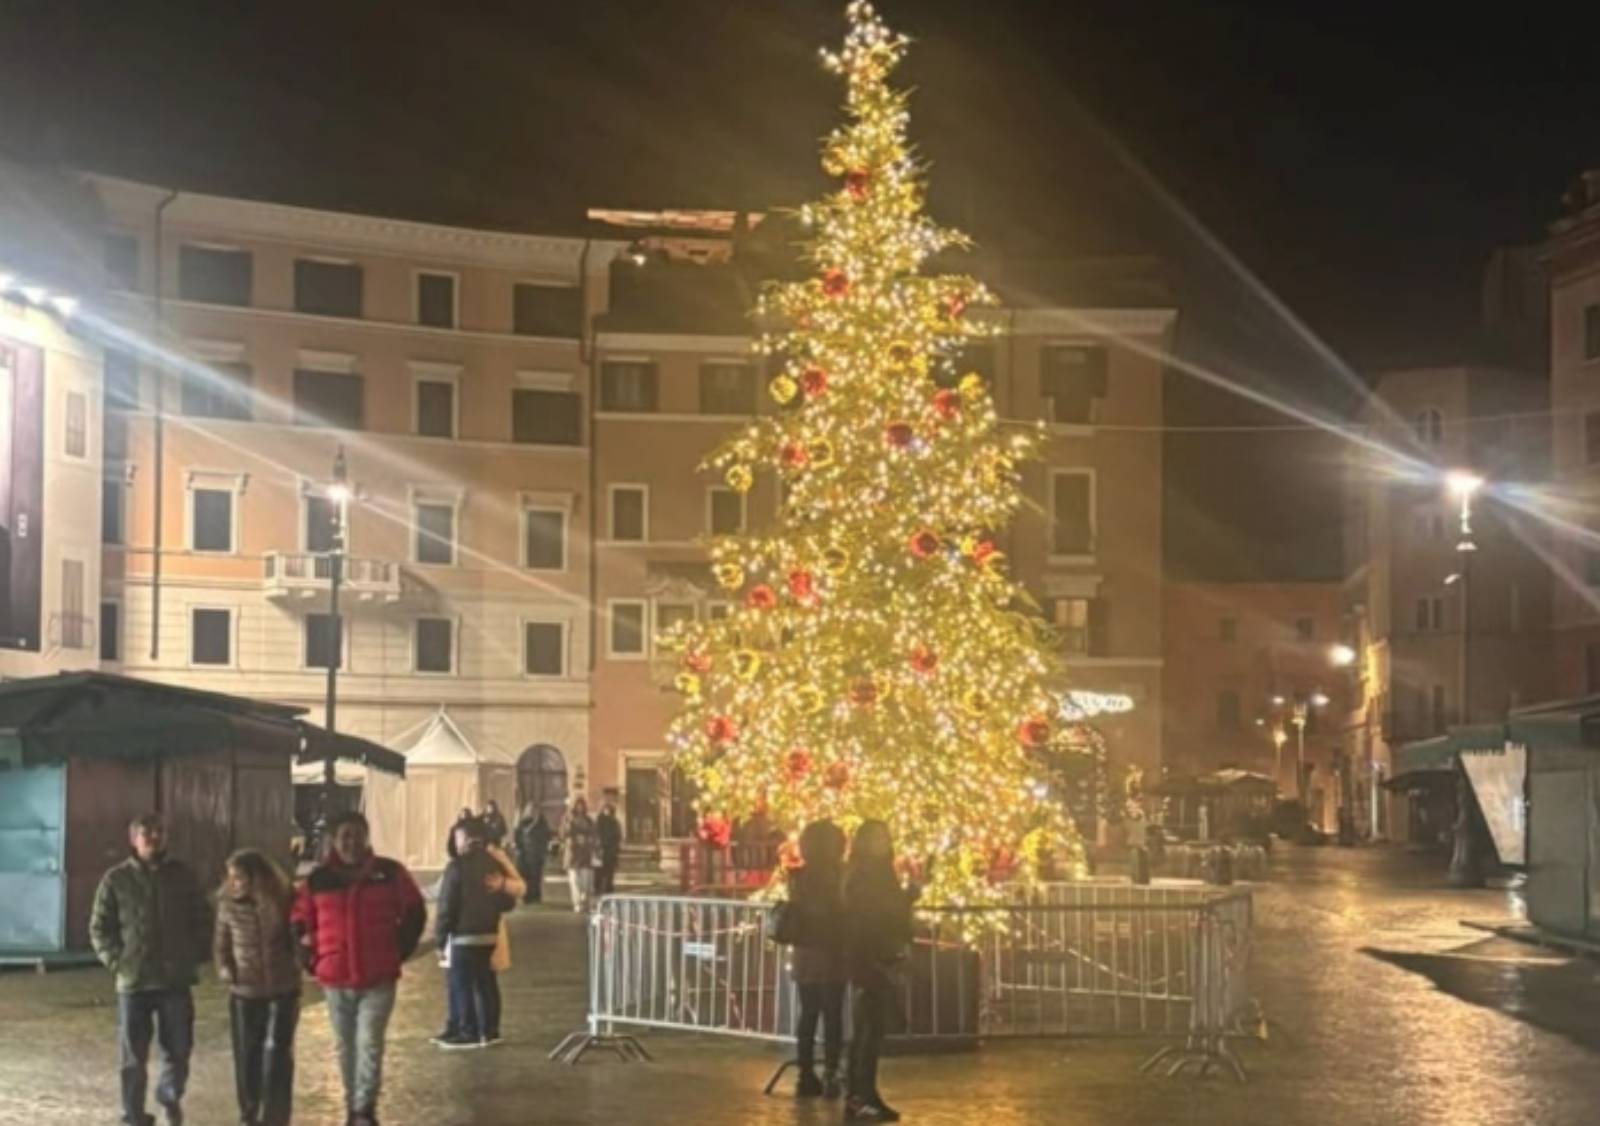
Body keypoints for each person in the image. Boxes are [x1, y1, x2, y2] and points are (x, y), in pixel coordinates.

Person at [292, 810, 425, 1126]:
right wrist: (309, 958)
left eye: (356, 835)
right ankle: (354, 1104)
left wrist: (398, 950)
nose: (350, 842)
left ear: (366, 837)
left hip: (377, 977)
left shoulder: (390, 873)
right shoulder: (318, 879)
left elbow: (415, 912)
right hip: (335, 979)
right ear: (334, 841)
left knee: (369, 1042)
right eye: (344, 836)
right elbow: (298, 920)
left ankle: (364, 1107)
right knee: (345, 1045)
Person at [91, 813, 211, 1126]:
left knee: (179, 1048)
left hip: (175, 980)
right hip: (134, 983)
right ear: (134, 840)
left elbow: (203, 917)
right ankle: (132, 1115)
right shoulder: (116, 880)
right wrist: (118, 962)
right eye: (147, 833)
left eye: (159, 832)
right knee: (133, 1056)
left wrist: (194, 954)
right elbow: (99, 928)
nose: (154, 838)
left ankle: (168, 1095)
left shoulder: (183, 876)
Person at [214, 849, 301, 1126]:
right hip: (245, 991)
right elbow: (221, 945)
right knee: (247, 1055)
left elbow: (296, 937)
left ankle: (276, 1116)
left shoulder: (284, 901)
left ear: (258, 878)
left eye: (240, 877)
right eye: (231, 878)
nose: (234, 883)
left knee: (278, 1055)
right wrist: (227, 971)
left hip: (282, 988)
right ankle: (249, 1114)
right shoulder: (227, 906)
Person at [842, 819, 914, 1122]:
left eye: (885, 837)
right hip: (869, 955)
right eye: (876, 839)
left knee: (869, 1028)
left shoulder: (878, 873)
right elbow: (869, 914)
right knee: (868, 1029)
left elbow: (892, 909)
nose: (882, 844)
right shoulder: (863, 875)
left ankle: (861, 1092)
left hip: (878, 952)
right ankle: (861, 1094)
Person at [432, 817, 517, 1049]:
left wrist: (440, 939)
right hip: (489, 933)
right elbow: (508, 902)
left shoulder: (457, 866)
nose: (455, 843)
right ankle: (489, 1031)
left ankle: (466, 1031)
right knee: (485, 982)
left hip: (463, 935)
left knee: (461, 983)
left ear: (467, 838)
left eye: (458, 837)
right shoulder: (494, 864)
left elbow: (447, 906)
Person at [788, 820, 849, 1100]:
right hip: (832, 949)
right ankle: (832, 1069)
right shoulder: (840, 876)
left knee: (809, 1012)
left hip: (806, 952)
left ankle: (805, 1072)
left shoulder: (798, 877)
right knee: (833, 1013)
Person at [561, 798, 598, 913]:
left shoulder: (589, 820)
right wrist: (569, 833)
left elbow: (594, 834)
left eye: (582, 805)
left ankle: (585, 899)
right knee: (574, 881)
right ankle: (577, 903)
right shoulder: (568, 819)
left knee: (586, 882)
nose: (580, 807)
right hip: (573, 854)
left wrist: (589, 840)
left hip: (586, 854)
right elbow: (563, 833)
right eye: (578, 805)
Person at [512, 804, 552, 904]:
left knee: (536, 876)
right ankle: (527, 896)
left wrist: (543, 849)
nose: (532, 812)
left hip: (537, 854)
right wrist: (518, 848)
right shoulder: (523, 823)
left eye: (534, 810)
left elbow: (547, 836)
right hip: (525, 854)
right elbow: (517, 836)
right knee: (525, 876)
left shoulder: (542, 823)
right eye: (530, 809)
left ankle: (536, 896)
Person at [595, 797, 623, 898]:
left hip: (611, 850)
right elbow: (596, 834)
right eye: (606, 809)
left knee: (609, 871)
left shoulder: (615, 822)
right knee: (599, 871)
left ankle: (608, 888)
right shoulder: (599, 821)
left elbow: (618, 836)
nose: (607, 811)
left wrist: (616, 847)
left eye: (609, 810)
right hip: (600, 850)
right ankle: (598, 888)